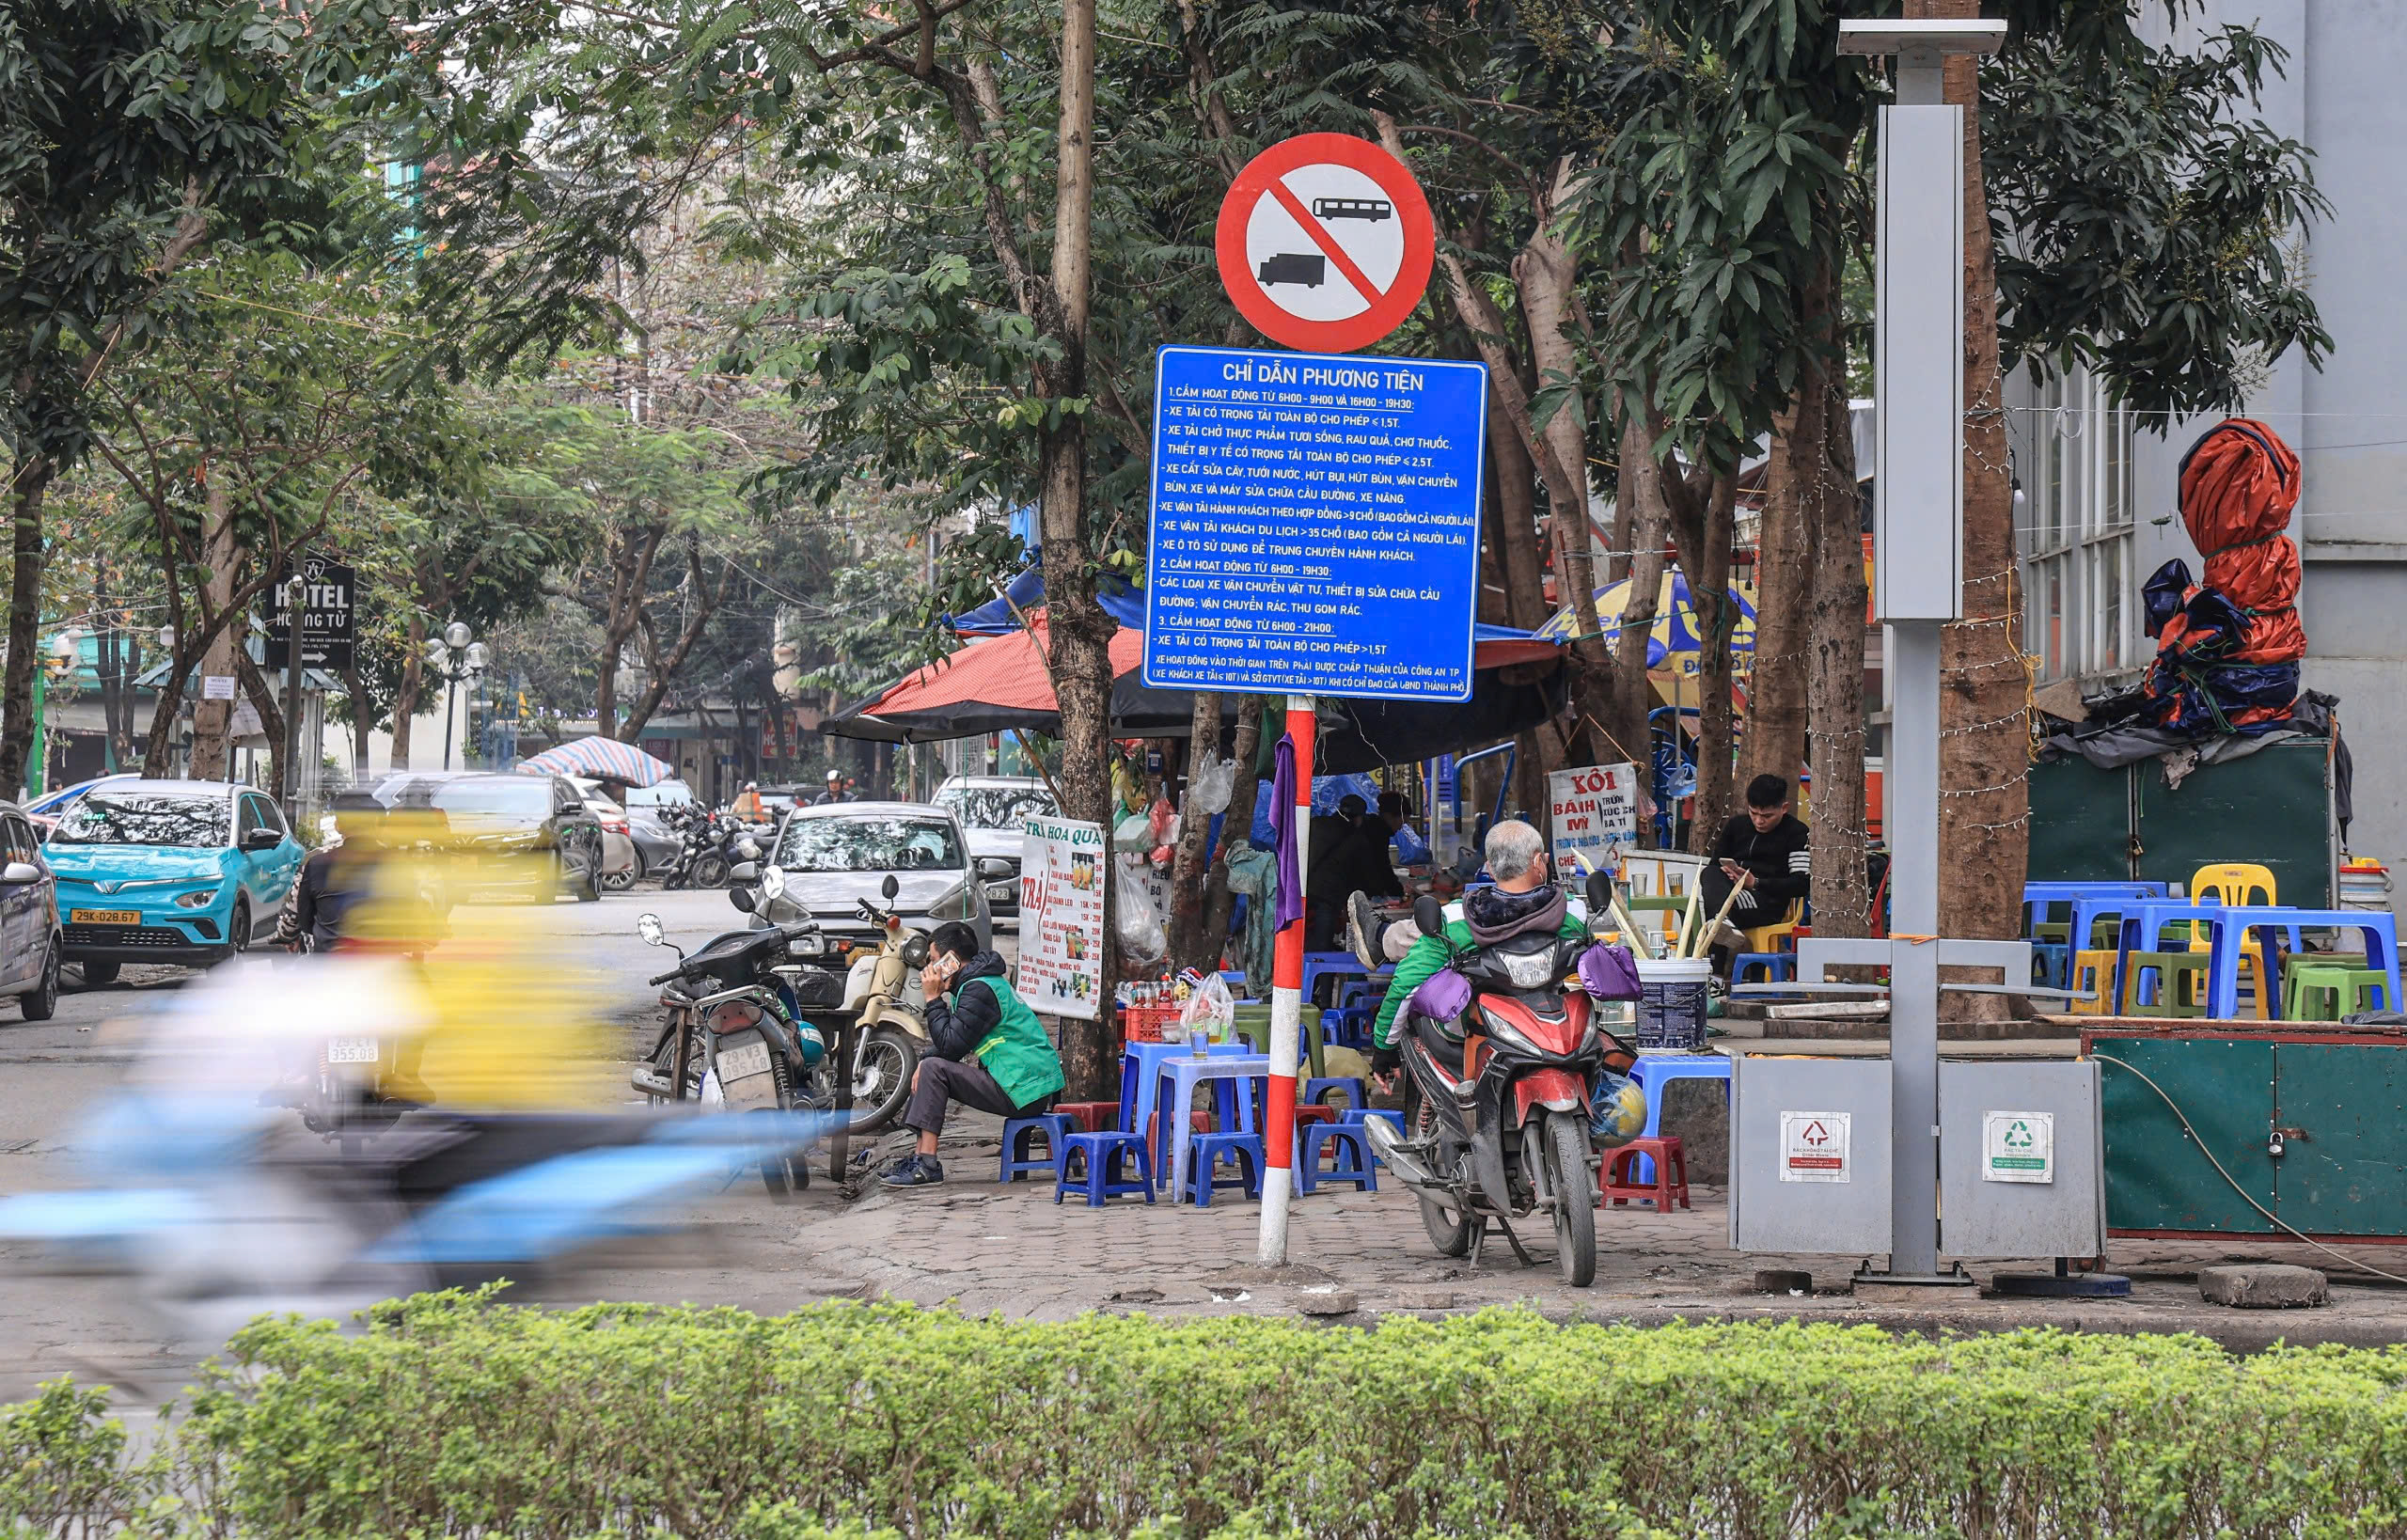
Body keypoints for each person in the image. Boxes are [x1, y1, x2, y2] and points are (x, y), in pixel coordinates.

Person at [1368, 820, 1592, 1088]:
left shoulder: (1456, 919)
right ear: (1539, 862)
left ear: (1488, 866)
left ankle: (1380, 937)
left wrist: (1384, 1047)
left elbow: (1406, 983)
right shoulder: (1572, 913)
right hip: (1551, 1020)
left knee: (1423, 1010)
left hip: (1475, 1030)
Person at [881, 921, 1065, 1188]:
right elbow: (958, 1040)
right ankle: (920, 1157)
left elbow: (951, 1045)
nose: (929, 969)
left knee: (934, 1069)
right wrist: (924, 1061)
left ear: (951, 961)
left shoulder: (979, 989)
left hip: (1024, 1089)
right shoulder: (978, 984)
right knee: (929, 1065)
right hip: (1021, 1084)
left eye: (933, 960)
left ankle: (928, 1164)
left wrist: (933, 999)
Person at [1697, 774, 1810, 959]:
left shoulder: (1797, 833)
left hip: (1767, 903)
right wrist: (1729, 872)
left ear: (1784, 808)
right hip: (1729, 893)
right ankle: (1721, 922)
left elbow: (1800, 884)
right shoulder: (1736, 826)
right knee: (1710, 873)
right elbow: (1716, 864)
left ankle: (1716, 974)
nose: (1759, 821)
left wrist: (1756, 883)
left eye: (1767, 816)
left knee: (1716, 913)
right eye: (1753, 813)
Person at [276, 794, 397, 952]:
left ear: (338, 826)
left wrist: (288, 937)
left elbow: (300, 919)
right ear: (376, 823)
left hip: (329, 964)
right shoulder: (399, 864)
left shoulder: (315, 863)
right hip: (385, 963)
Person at [1303, 794, 1371, 953]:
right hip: (1328, 899)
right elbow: (1361, 876)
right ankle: (1323, 978)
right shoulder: (1356, 839)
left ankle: (1304, 976)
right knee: (1322, 949)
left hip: (1302, 894)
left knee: (1304, 945)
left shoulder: (1317, 825)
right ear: (1359, 817)